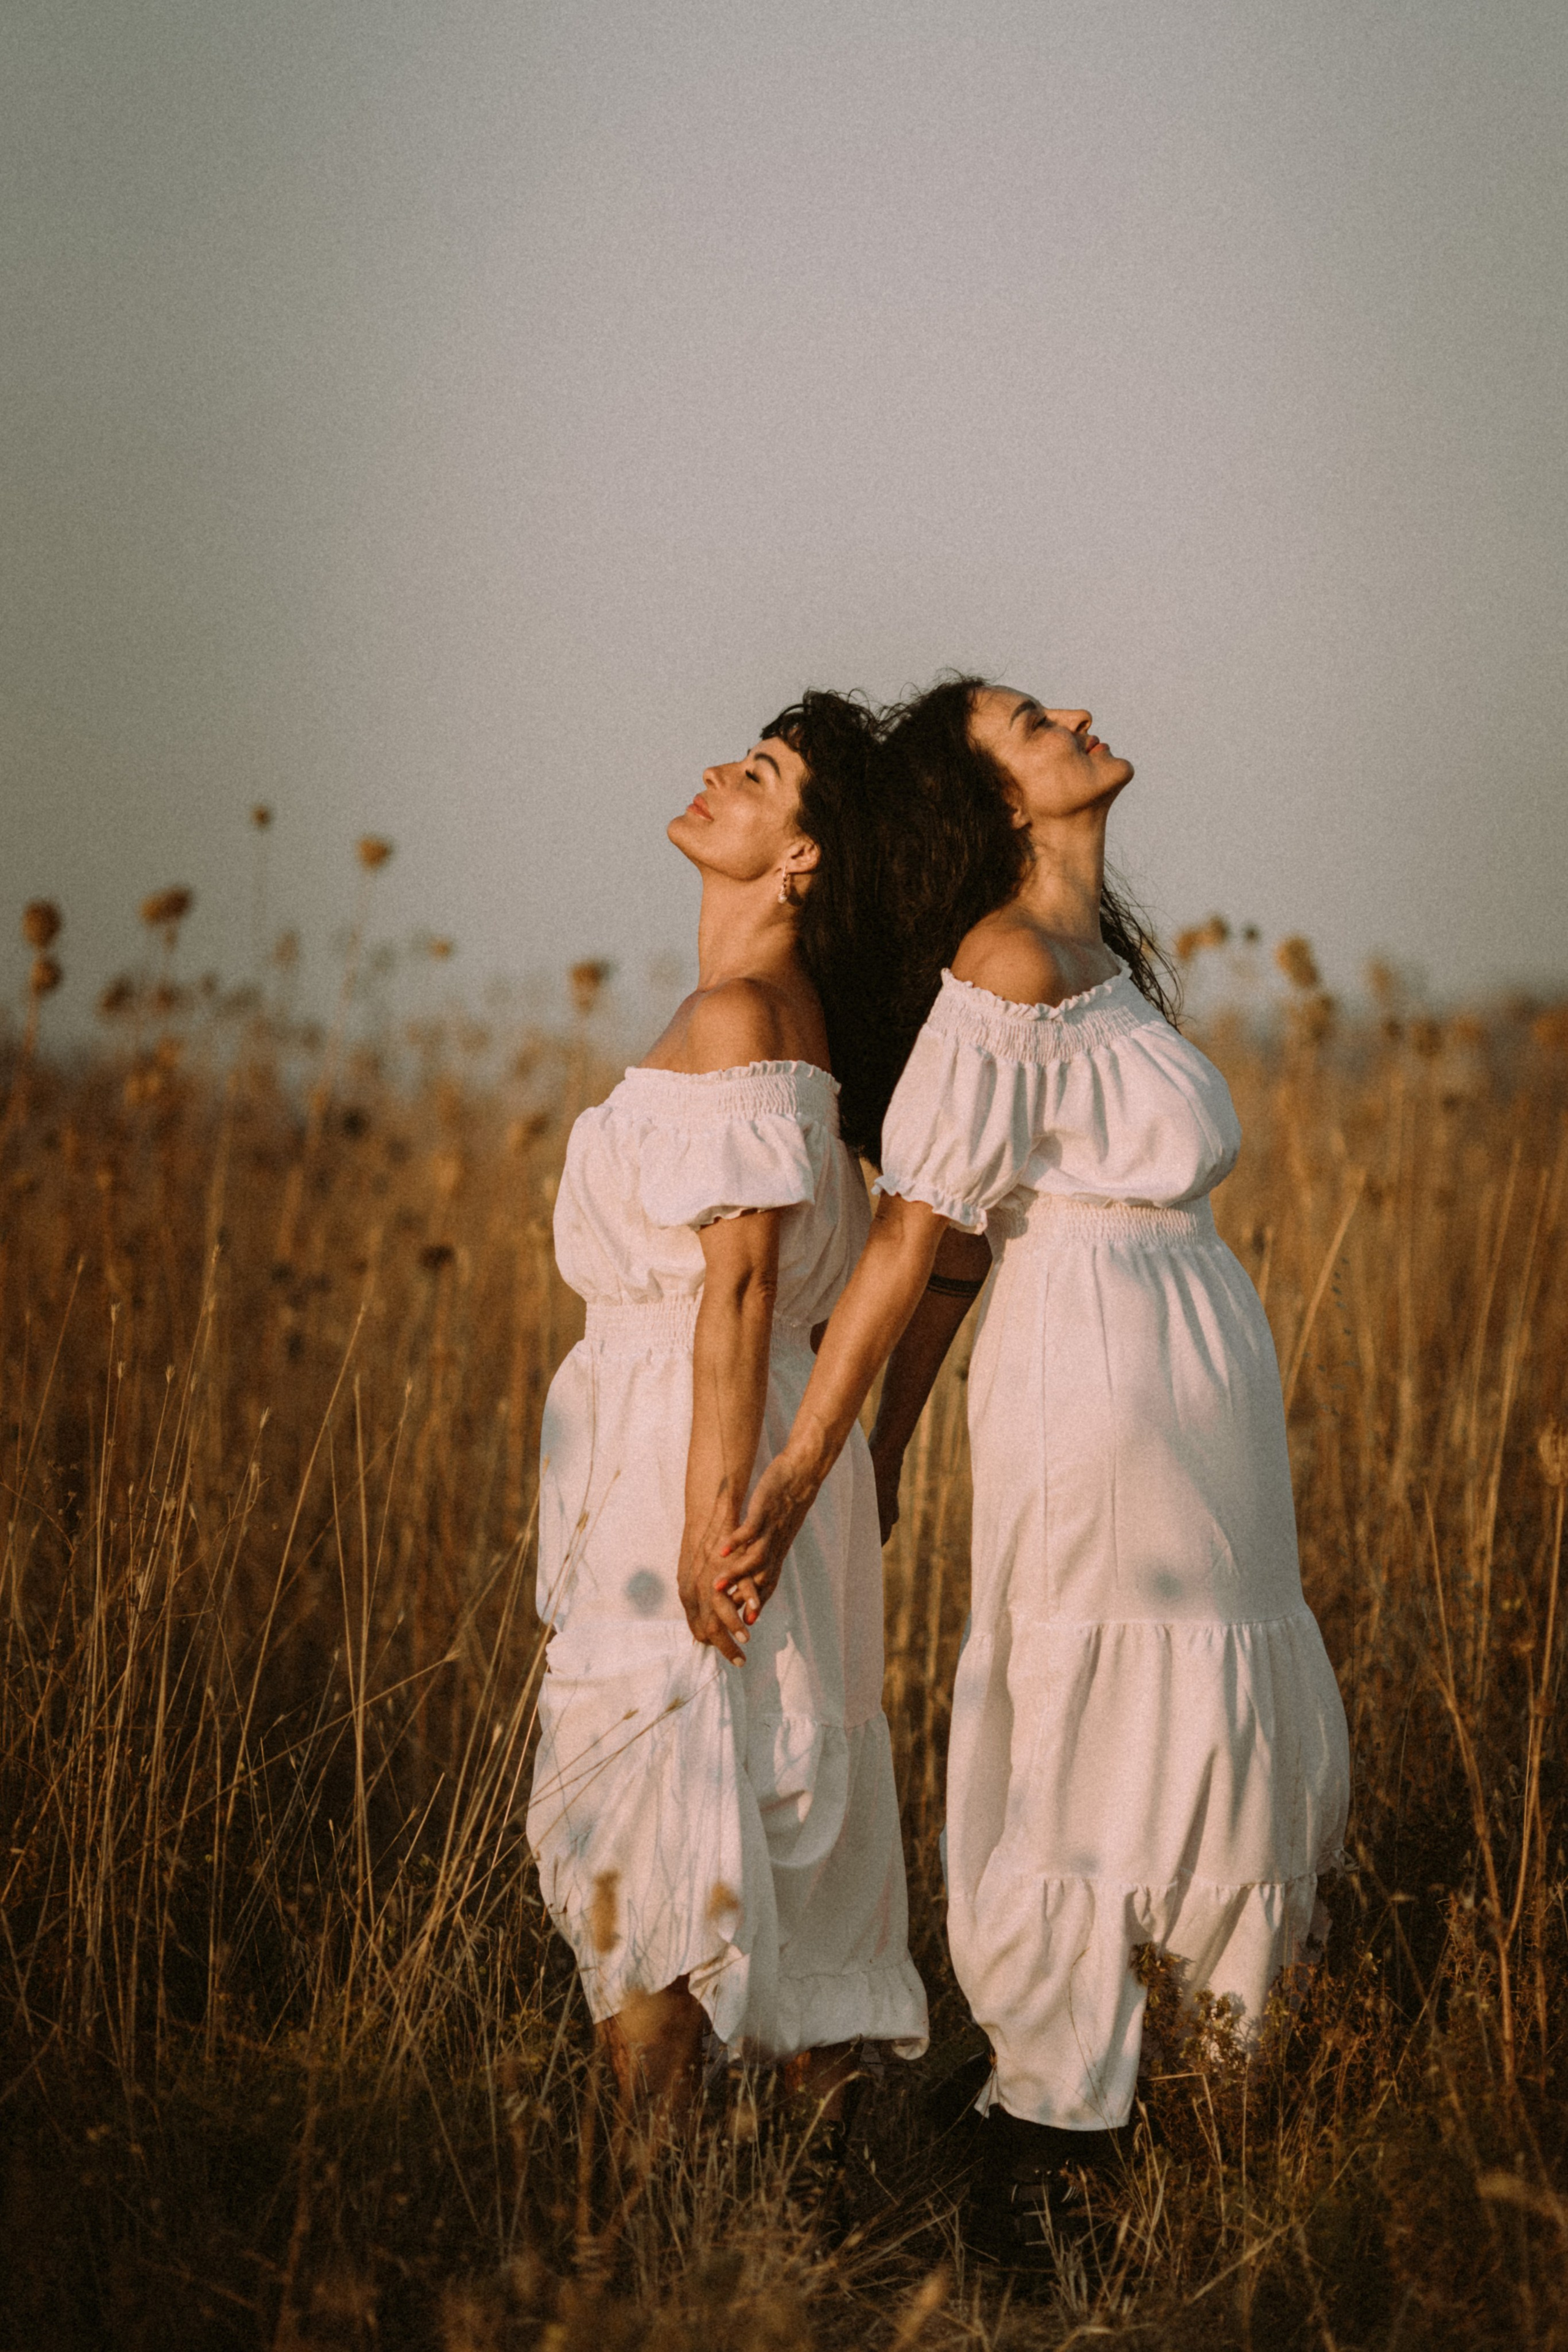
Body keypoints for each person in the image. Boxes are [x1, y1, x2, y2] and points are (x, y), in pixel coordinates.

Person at [718, 676, 1349, 2261]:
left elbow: (937, 1264)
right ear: (1000, 802)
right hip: (1100, 1378)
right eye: (1028, 720)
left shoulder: (1101, 965)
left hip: (1194, 1367)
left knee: (1211, 1690)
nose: (1075, 712)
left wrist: (871, 1458)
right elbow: (920, 1239)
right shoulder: (1001, 967)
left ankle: (1178, 2078)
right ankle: (1049, 2133)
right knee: (1103, 1700)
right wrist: (815, 1471)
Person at [526, 693, 927, 2128]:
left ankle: (646, 2205)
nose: (711, 773)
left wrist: (712, 1524)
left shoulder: (740, 1017)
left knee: (658, 1774)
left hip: (691, 1449)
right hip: (723, 1430)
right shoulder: (777, 1020)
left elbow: (740, 1293)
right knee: (759, 1777)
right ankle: (812, 2194)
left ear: (801, 856)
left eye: (754, 774)